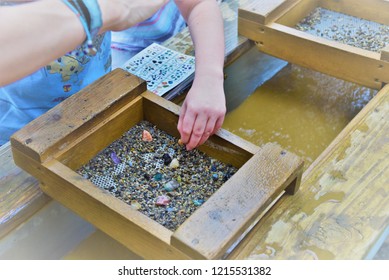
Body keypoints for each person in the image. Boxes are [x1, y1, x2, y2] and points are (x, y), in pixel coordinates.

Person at [0, 0, 226, 151]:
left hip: (99, 105)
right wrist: (105, 11)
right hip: (16, 138)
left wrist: (209, 77)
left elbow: (197, 4)